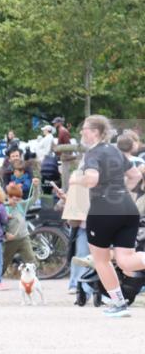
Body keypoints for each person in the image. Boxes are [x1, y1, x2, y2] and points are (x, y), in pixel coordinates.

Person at [67, 115, 144, 318]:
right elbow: (136, 176)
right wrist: (120, 192)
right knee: (126, 261)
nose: (82, 132)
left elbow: (92, 179)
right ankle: (118, 303)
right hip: (127, 208)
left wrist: (76, 180)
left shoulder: (93, 153)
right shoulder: (116, 151)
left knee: (101, 260)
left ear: (95, 132)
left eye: (85, 128)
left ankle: (118, 303)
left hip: (103, 211)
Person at [53, 171, 93, 305]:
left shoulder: (96, 185)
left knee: (89, 257)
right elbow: (59, 207)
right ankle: (76, 285)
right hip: (82, 227)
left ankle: (86, 288)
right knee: (80, 256)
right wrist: (65, 198)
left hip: (95, 225)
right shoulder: (78, 187)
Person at [2, 179, 41, 275]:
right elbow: (0, 224)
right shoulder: (3, 207)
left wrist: (35, 186)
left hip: (24, 238)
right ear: (7, 196)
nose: (15, 198)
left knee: (32, 261)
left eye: (17, 196)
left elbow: (34, 198)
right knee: (3, 262)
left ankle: (34, 279)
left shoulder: (22, 205)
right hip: (10, 241)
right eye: (12, 196)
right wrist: (6, 234)